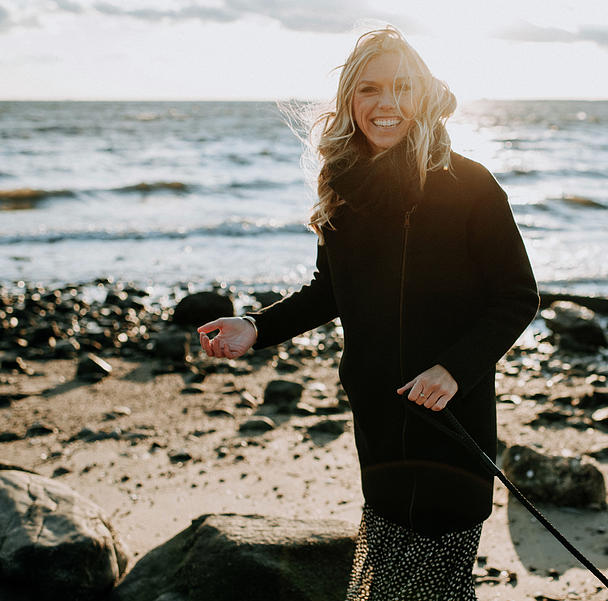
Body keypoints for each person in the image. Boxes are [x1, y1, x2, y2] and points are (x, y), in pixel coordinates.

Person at [196, 25, 539, 601]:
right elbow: (329, 290)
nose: (387, 104)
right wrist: (257, 327)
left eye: (403, 88)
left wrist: (453, 370)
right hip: (378, 414)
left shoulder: (471, 185)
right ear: (349, 101)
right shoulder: (344, 186)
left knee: (434, 584)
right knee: (385, 567)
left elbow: (517, 295)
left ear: (424, 96)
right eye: (370, 89)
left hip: (451, 416)